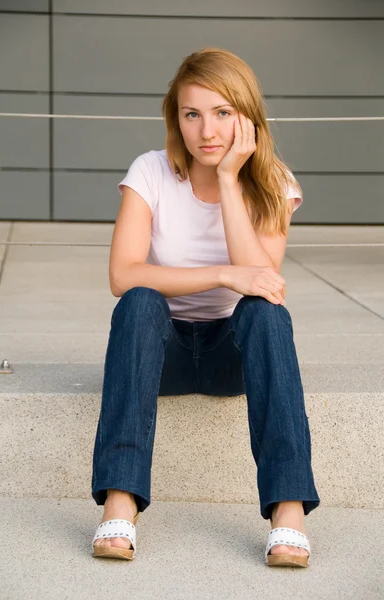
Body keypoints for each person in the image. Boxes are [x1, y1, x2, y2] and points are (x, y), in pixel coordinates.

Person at [91, 47, 320, 567]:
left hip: (230, 354)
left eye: (222, 113)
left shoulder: (273, 182)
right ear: (176, 118)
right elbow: (122, 274)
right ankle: (120, 501)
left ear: (247, 117)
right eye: (192, 114)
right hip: (161, 348)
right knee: (140, 301)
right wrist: (220, 274)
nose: (207, 130)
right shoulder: (150, 172)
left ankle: (288, 513)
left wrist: (228, 180)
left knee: (266, 313)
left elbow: (262, 282)